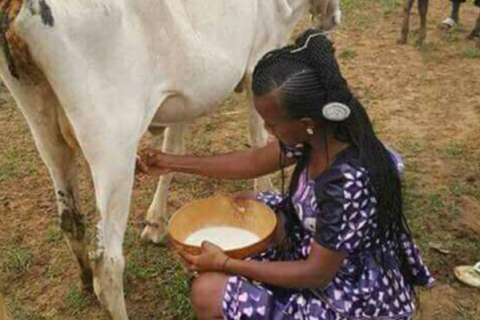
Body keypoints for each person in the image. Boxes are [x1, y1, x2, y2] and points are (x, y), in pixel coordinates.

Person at [138, 29, 435, 320]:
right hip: (312, 251)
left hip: (347, 297)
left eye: (272, 125)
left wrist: (228, 263)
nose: (268, 132)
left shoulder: (347, 183)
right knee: (247, 207)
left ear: (306, 122)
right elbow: (251, 162)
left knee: (207, 291)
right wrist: (172, 162)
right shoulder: (315, 137)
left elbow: (317, 274)